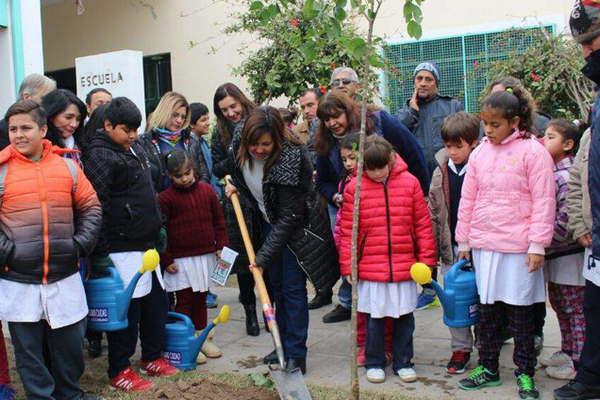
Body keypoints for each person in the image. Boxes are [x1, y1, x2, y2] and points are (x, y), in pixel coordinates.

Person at [455, 90, 555, 400]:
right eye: (485, 124)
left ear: (514, 121)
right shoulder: (480, 153)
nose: (488, 130)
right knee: (488, 313)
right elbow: (468, 198)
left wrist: (537, 244)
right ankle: (488, 368)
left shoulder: (534, 152)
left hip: (519, 250)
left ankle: (525, 373)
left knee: (521, 315)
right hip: (486, 246)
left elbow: (544, 201)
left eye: (495, 124)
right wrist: (464, 239)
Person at [224, 106, 339, 374]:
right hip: (268, 223)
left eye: (265, 145)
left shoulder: (290, 157)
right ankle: (281, 346)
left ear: (277, 139)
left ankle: (296, 353)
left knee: (292, 290)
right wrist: (234, 187)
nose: (259, 150)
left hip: (297, 228)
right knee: (274, 288)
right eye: (253, 144)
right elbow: (244, 180)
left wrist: (261, 258)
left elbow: (289, 217)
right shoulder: (240, 145)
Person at [0, 100, 102, 399]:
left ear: (43, 129)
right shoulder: (1, 172)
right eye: (13, 129)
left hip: (64, 275)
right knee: (29, 351)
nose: (18, 135)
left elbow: (91, 207)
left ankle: (70, 394)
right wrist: (9, 252)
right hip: (18, 280)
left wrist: (79, 245)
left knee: (70, 344)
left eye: (26, 128)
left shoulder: (67, 166)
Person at [83, 97, 178, 392]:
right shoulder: (99, 156)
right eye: (126, 129)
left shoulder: (134, 148)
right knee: (127, 311)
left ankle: (152, 356)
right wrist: (99, 253)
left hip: (146, 244)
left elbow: (148, 191)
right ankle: (120, 368)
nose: (133, 135)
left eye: (136, 129)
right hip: (121, 248)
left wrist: (158, 228)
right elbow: (95, 206)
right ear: (108, 125)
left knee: (156, 305)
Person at [314, 92, 429, 322]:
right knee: (354, 255)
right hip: (349, 207)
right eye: (326, 120)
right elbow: (322, 180)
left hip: (389, 200)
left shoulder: (378, 120)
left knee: (387, 252)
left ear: (348, 111)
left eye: (336, 116)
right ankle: (353, 304)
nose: (332, 123)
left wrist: (421, 191)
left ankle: (392, 312)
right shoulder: (326, 143)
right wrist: (335, 196)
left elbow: (413, 150)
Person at [338, 135, 436, 383]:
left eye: (380, 167)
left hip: (404, 267)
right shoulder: (354, 188)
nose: (376, 174)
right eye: (369, 169)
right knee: (374, 319)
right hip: (371, 268)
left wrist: (426, 261)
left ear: (390, 160)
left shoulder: (410, 183)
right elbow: (348, 230)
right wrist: (348, 264)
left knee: (405, 318)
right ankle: (374, 361)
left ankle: (404, 362)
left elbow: (422, 225)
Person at [554, 3, 600, 398]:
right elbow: (582, 176)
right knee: (594, 309)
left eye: (592, 42)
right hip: (596, 237)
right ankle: (591, 376)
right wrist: (584, 226)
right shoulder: (597, 103)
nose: (587, 52)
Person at [397, 61, 463, 310]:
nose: (423, 83)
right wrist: (411, 111)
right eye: (419, 79)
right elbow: (396, 136)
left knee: (449, 233)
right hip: (417, 184)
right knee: (423, 237)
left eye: (428, 79)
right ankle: (429, 289)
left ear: (436, 82)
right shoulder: (405, 111)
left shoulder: (451, 106)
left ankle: (456, 284)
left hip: (446, 182)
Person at [159, 149, 228, 363]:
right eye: (178, 175)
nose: (185, 178)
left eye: (188, 173)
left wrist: (221, 247)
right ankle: (185, 339)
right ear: (170, 176)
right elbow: (161, 231)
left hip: (205, 255)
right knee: (185, 300)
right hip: (180, 260)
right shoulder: (165, 199)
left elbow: (219, 222)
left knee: (201, 297)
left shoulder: (207, 192)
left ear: (193, 169)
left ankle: (202, 336)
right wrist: (167, 258)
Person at [211, 83, 269, 337]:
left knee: (266, 258)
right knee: (244, 262)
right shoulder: (219, 133)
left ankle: (271, 310)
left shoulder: (260, 119)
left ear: (241, 101)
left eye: (233, 106)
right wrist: (235, 161)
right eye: (224, 110)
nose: (230, 113)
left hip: (264, 200)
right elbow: (216, 168)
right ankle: (250, 314)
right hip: (237, 205)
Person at [428, 111, 480, 375]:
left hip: (480, 248)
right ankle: (460, 348)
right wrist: (432, 251)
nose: (453, 152)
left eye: (458, 146)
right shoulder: (440, 171)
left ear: (473, 142)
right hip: (451, 249)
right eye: (448, 146)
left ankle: (487, 344)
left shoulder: (483, 166)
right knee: (454, 302)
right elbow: (433, 213)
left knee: (483, 300)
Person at [541, 119, 585, 381]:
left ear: (567, 144)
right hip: (555, 254)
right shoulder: (553, 172)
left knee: (573, 308)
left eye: (550, 137)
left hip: (568, 254)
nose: (543, 141)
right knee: (559, 304)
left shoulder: (566, 176)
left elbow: (568, 218)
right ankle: (567, 350)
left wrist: (546, 240)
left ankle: (579, 362)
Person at [137, 91, 209, 194]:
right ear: (164, 112)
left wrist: (198, 195)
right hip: (163, 204)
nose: (179, 121)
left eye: (183, 117)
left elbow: (203, 173)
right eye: (175, 115)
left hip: (191, 200)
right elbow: (145, 182)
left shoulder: (191, 140)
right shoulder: (144, 142)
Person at [0, 74, 56, 150]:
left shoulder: (50, 123)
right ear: (27, 97)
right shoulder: (2, 130)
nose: (50, 103)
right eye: (13, 129)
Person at [486, 77, 550, 137]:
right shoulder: (486, 126)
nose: (495, 101)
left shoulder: (542, 124)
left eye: (502, 96)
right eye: (493, 97)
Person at [41, 89, 88, 165]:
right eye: (68, 117)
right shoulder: (37, 148)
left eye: (78, 119)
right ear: (51, 116)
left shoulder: (82, 146)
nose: (74, 124)